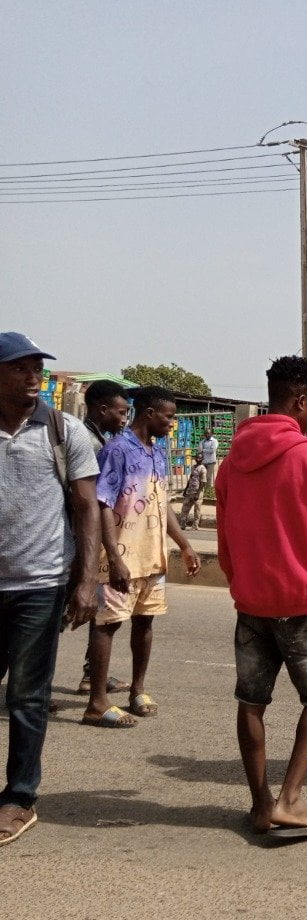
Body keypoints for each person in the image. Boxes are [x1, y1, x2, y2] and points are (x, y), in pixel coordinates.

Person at [217, 356, 307, 838]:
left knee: (251, 703)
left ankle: (261, 807)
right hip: (304, 603)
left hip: (251, 602)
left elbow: (226, 539)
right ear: (300, 401)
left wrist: (242, 584)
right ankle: (290, 800)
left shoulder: (231, 462)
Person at [0, 332, 101, 848]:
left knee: (27, 695)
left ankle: (19, 798)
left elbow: (87, 509)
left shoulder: (65, 431)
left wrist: (86, 581)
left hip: (39, 583)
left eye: (37, 367)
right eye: (20, 367)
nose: (32, 375)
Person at [82, 386, 201, 728]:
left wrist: (184, 545)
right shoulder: (117, 451)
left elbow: (163, 507)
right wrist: (114, 558)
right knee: (108, 623)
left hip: (152, 556)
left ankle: (138, 689)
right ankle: (97, 702)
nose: (172, 424)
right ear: (149, 413)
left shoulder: (158, 453)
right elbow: (102, 505)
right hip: (120, 555)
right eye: (169, 416)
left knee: (145, 621)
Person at [77, 379, 132, 696]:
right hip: (80, 540)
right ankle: (28, 685)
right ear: (102, 409)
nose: (125, 419)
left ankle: (92, 674)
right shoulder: (89, 444)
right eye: (121, 412)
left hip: (93, 538)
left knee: (101, 610)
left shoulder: (101, 442)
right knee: (54, 617)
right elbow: (95, 502)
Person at [179, 460, 207, 530]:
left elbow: (203, 483)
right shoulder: (193, 467)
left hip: (197, 492)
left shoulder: (202, 469)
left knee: (197, 509)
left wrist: (198, 494)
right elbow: (190, 479)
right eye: (197, 458)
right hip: (190, 491)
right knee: (185, 508)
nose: (198, 459)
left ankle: (195, 525)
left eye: (200, 458)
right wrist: (185, 490)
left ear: (202, 459)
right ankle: (183, 524)